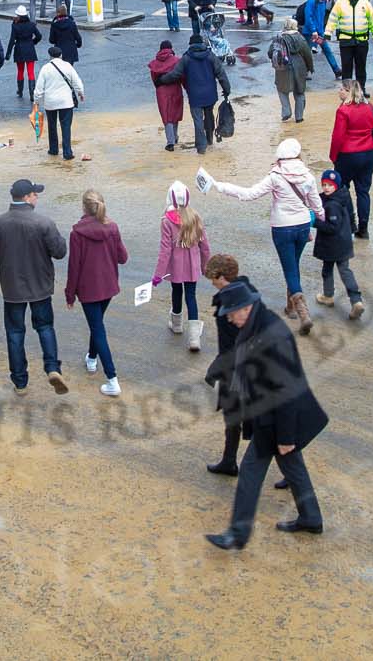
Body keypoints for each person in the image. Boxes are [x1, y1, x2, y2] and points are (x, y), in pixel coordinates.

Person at [203, 278, 328, 550]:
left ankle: (237, 535)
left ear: (245, 308)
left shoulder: (271, 335)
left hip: (277, 420)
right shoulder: (257, 323)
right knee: (293, 467)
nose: (229, 319)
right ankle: (311, 517)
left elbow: (286, 390)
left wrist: (285, 436)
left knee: (250, 473)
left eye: (231, 313)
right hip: (273, 417)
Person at [199, 138, 323, 335]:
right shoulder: (308, 176)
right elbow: (316, 204)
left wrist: (219, 185)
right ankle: (290, 307)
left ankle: (302, 311)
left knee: (290, 269)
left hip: (282, 228)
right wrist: (322, 218)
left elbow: (249, 194)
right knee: (293, 265)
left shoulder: (275, 176)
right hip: (302, 226)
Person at [0, 178, 70, 394]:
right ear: (26, 198)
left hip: (12, 288)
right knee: (45, 327)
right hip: (40, 286)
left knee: (15, 333)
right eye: (35, 194)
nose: (37, 197)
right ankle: (52, 367)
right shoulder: (43, 223)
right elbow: (60, 252)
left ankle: (20, 382)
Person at [64, 190, 129, 397]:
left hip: (88, 290)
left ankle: (112, 379)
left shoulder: (76, 234)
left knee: (97, 328)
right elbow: (123, 258)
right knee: (97, 323)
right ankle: (91, 359)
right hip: (108, 286)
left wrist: (69, 294)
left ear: (83, 207)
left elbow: (74, 267)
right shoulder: (113, 227)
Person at [203, 253, 251, 475]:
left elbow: (235, 344)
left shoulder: (230, 305)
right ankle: (229, 460)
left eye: (213, 279)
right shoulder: (245, 292)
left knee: (260, 423)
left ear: (222, 278)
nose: (212, 283)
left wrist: (215, 369)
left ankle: (292, 470)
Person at [153, 183, 212, 351]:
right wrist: (205, 265)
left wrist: (158, 275)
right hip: (192, 267)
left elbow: (165, 251)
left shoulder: (166, 221)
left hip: (175, 268)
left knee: (177, 292)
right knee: (191, 297)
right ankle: (194, 338)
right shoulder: (195, 217)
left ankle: (177, 325)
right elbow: (205, 246)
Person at [328, 80, 373, 237]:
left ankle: (351, 223)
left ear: (348, 92)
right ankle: (364, 228)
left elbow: (337, 136)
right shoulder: (370, 107)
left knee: (343, 189)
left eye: (342, 89)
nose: (339, 92)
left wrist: (333, 156)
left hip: (348, 154)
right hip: (369, 152)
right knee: (363, 191)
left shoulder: (343, 110)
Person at [312, 168, 365, 320]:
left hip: (332, 244)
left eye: (330, 185)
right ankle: (356, 301)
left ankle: (329, 295)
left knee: (329, 270)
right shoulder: (343, 196)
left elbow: (332, 226)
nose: (326, 188)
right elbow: (350, 213)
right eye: (324, 185)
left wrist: (314, 222)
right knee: (345, 271)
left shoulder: (332, 205)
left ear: (336, 185)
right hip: (344, 242)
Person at [33, 43, 88, 159]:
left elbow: (39, 88)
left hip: (50, 102)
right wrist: (81, 94)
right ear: (61, 55)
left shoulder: (45, 68)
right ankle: (67, 153)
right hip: (66, 102)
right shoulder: (68, 66)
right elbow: (77, 82)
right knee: (66, 126)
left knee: (52, 126)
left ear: (50, 56)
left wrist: (36, 101)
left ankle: (53, 150)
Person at [325, 0, 373, 89]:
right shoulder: (340, 3)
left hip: (361, 40)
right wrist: (328, 32)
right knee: (346, 68)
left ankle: (361, 90)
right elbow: (333, 18)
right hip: (346, 41)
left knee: (361, 67)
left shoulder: (365, 3)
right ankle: (347, 91)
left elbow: (372, 20)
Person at [268, 17, 315, 124]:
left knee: (282, 90)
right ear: (295, 27)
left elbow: (270, 53)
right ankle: (299, 117)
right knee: (299, 92)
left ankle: (286, 112)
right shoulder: (300, 38)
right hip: (299, 67)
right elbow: (307, 54)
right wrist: (310, 67)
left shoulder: (278, 38)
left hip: (282, 68)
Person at [148, 39, 187, 151]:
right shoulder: (177, 61)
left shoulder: (155, 63)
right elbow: (182, 76)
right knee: (175, 113)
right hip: (175, 89)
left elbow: (154, 80)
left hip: (162, 91)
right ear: (170, 48)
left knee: (166, 115)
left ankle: (170, 141)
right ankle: (174, 137)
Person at [8, 5, 42, 99]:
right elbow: (39, 36)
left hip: (19, 49)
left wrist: (8, 53)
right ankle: (32, 93)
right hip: (30, 49)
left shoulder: (15, 25)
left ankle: (20, 91)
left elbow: (12, 40)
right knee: (31, 72)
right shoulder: (31, 24)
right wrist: (33, 42)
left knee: (20, 71)